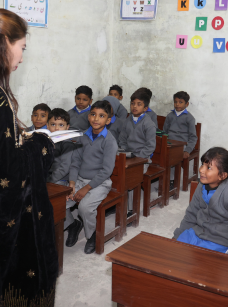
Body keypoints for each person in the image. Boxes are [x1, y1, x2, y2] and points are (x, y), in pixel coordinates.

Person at [0, 8, 57, 305]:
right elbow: (9, 175)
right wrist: (40, 144)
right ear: (4, 41)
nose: (21, 57)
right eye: (22, 48)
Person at [173, 147, 228, 257]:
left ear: (222, 175)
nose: (201, 170)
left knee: (203, 267)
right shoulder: (201, 186)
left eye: (208, 168)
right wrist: (177, 236)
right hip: (197, 233)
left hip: (220, 241)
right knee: (174, 254)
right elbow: (191, 214)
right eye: (202, 165)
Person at [66, 100, 118, 254]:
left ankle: (92, 235)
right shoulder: (83, 137)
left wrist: (86, 189)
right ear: (89, 116)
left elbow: (106, 171)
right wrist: (72, 183)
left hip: (100, 183)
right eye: (93, 114)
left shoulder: (110, 141)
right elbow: (75, 162)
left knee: (85, 207)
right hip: (80, 180)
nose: (96, 119)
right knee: (60, 202)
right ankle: (73, 225)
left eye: (101, 116)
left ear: (108, 120)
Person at [118, 89, 156, 215]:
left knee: (131, 177)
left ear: (145, 108)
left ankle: (131, 210)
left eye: (139, 104)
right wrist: (125, 151)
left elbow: (150, 146)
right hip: (128, 155)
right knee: (114, 171)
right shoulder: (127, 120)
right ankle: (117, 203)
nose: (135, 106)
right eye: (133, 103)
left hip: (142, 159)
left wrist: (137, 157)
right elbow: (122, 139)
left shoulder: (148, 123)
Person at [163, 91, 198, 187]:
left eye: (180, 102)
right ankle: (162, 177)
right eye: (175, 102)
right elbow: (164, 132)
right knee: (160, 153)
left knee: (173, 156)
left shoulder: (189, 118)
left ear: (187, 104)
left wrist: (188, 150)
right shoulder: (170, 116)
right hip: (169, 143)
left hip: (182, 145)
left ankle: (171, 181)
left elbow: (193, 137)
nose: (177, 104)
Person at [46, 108, 76, 186]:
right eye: (53, 124)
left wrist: (49, 180)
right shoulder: (46, 141)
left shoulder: (67, 144)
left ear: (67, 127)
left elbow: (64, 168)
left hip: (60, 179)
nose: (56, 128)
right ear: (47, 126)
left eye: (61, 125)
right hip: (47, 176)